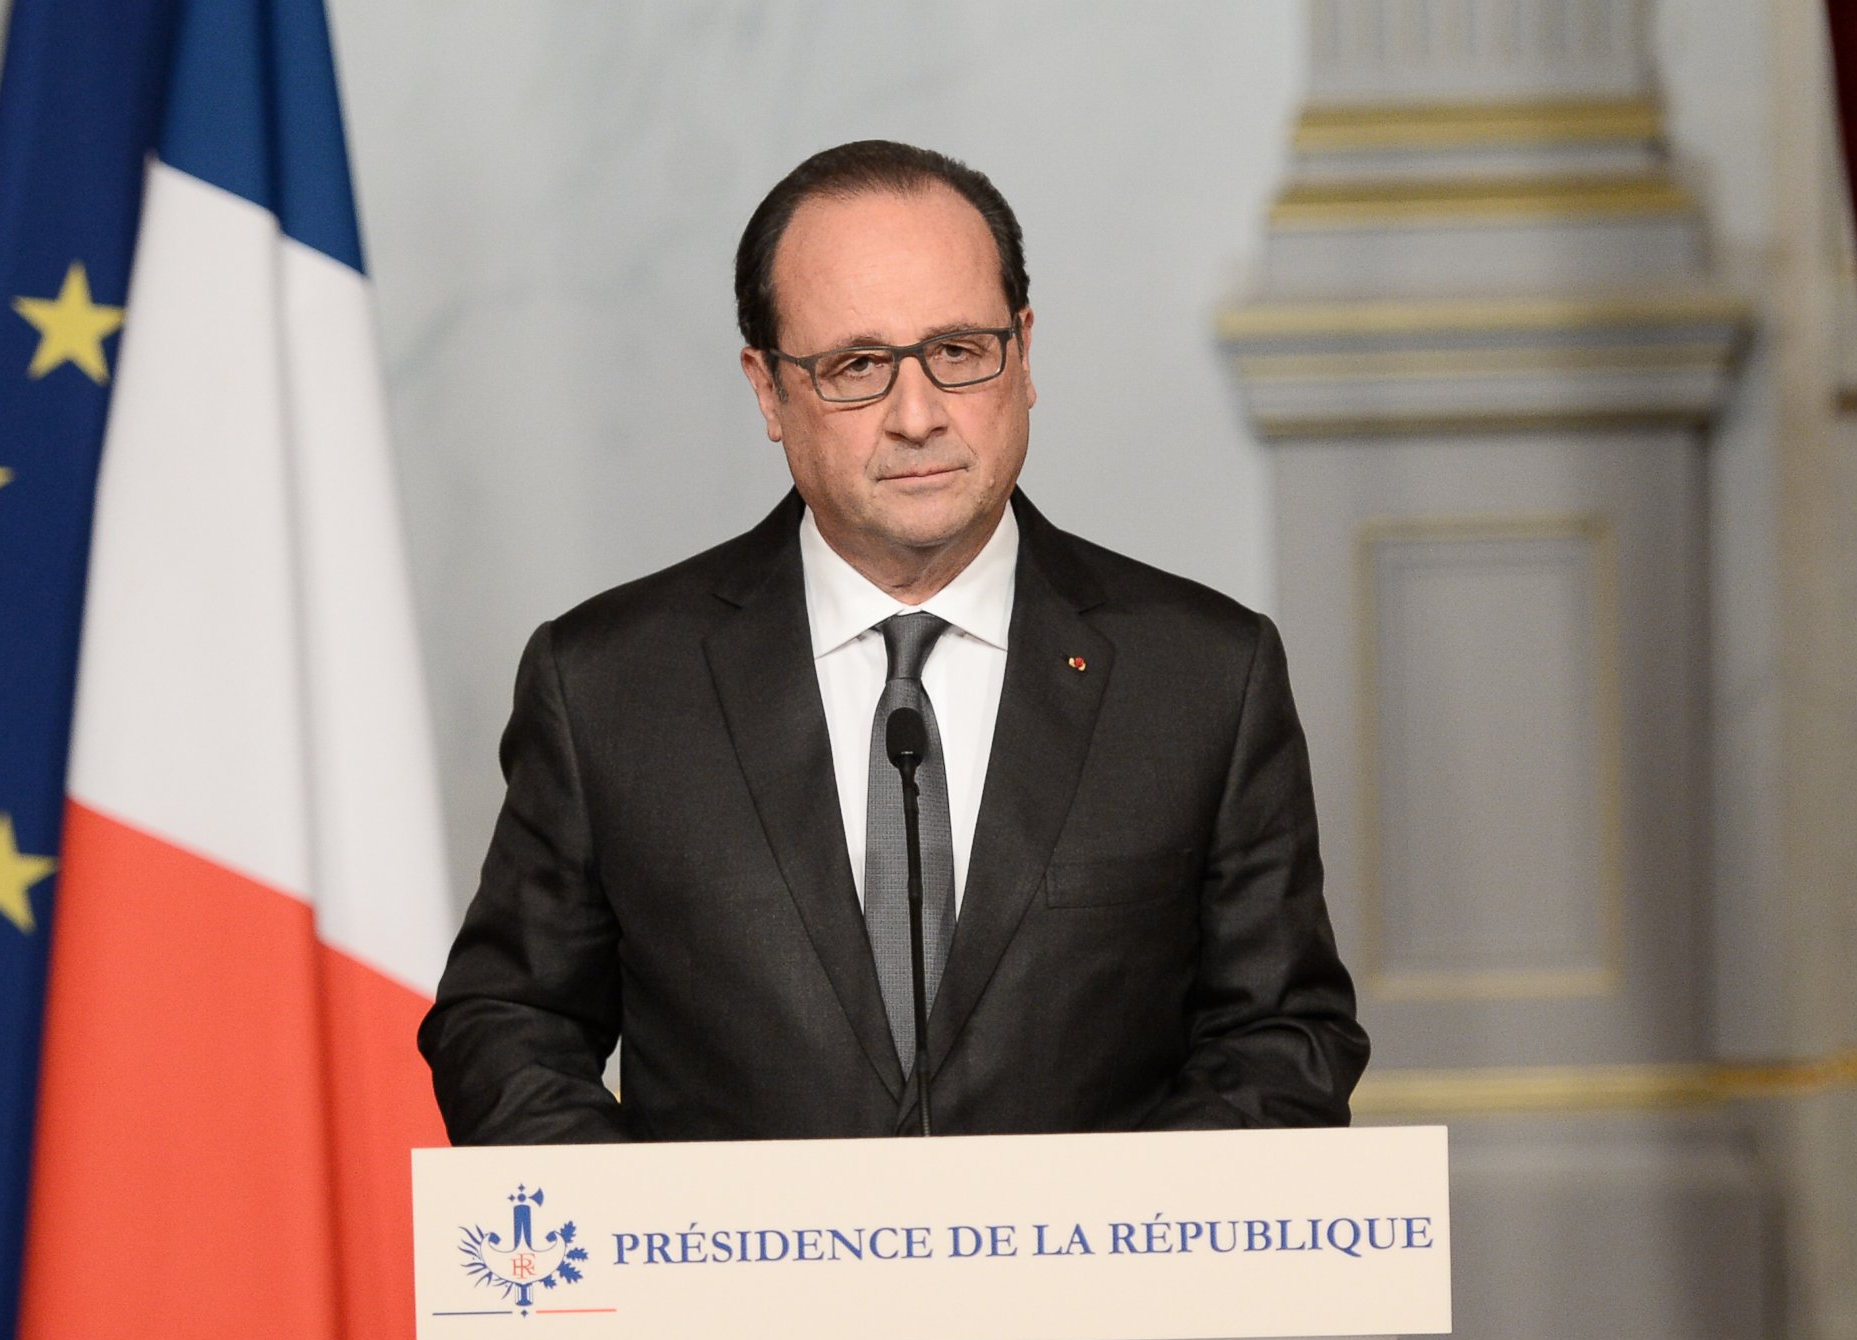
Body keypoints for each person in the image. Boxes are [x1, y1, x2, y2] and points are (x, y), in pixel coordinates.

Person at [418, 140, 1367, 1143]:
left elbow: (1283, 1040)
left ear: (1025, 353)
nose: (918, 416)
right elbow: (509, 1023)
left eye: (959, 352)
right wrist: (658, 1257)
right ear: (768, 391)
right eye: (857, 368)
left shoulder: (1203, 678)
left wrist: (1106, 1253)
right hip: (739, 1299)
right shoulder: (609, 686)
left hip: (1088, 1297)